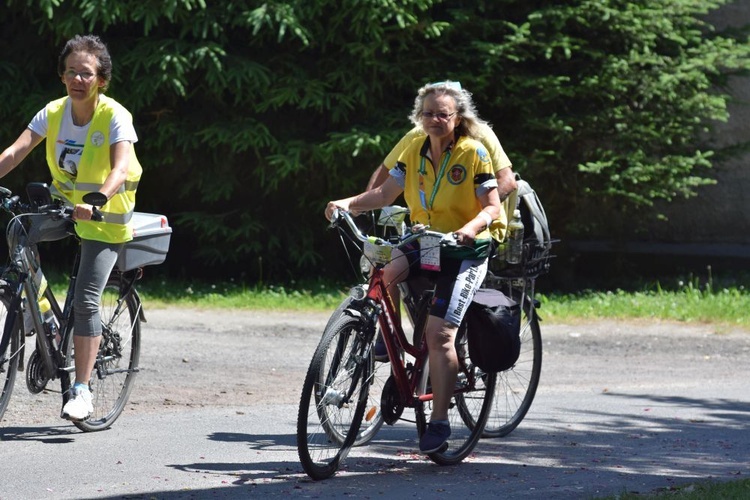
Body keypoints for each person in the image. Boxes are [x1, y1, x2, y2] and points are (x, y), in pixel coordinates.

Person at [325, 81, 501, 453]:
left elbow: (493, 208)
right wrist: (345, 203)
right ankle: (381, 340)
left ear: (457, 118)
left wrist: (469, 230)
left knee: (439, 337)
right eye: (428, 113)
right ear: (418, 117)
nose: (435, 120)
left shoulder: (474, 153)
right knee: (381, 272)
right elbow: (385, 194)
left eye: (443, 114)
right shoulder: (415, 150)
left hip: (464, 252)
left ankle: (438, 422)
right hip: (425, 241)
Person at [0, 34, 142, 421]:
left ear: (101, 80)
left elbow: (119, 167)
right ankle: (40, 313)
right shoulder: (53, 113)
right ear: (62, 76)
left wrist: (97, 201)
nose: (78, 79)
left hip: (104, 218)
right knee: (18, 232)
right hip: (64, 207)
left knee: (87, 299)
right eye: (71, 72)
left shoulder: (115, 115)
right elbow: (15, 151)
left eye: (87, 73)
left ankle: (82, 390)